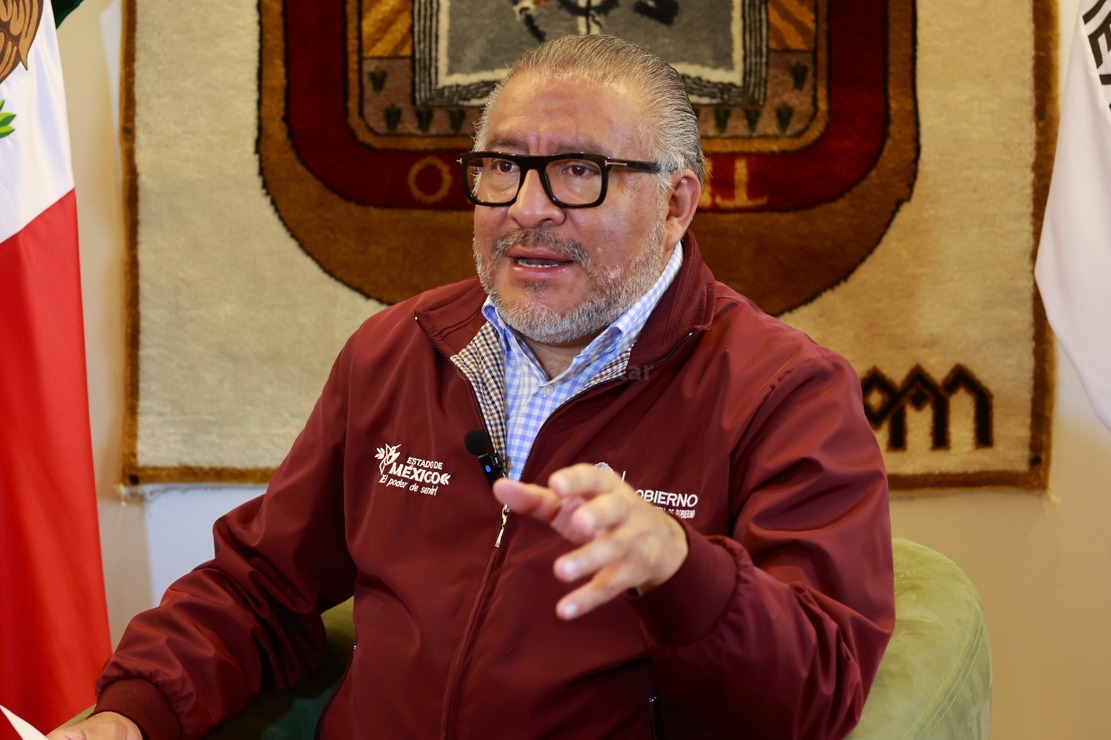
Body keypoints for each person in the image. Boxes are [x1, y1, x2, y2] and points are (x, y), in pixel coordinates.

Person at [54, 34, 894, 740]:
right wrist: (128, 716)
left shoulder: (786, 393)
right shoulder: (399, 348)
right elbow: (260, 588)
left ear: (677, 202)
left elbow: (816, 694)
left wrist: (680, 572)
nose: (527, 208)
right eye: (502, 168)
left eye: (577, 172)